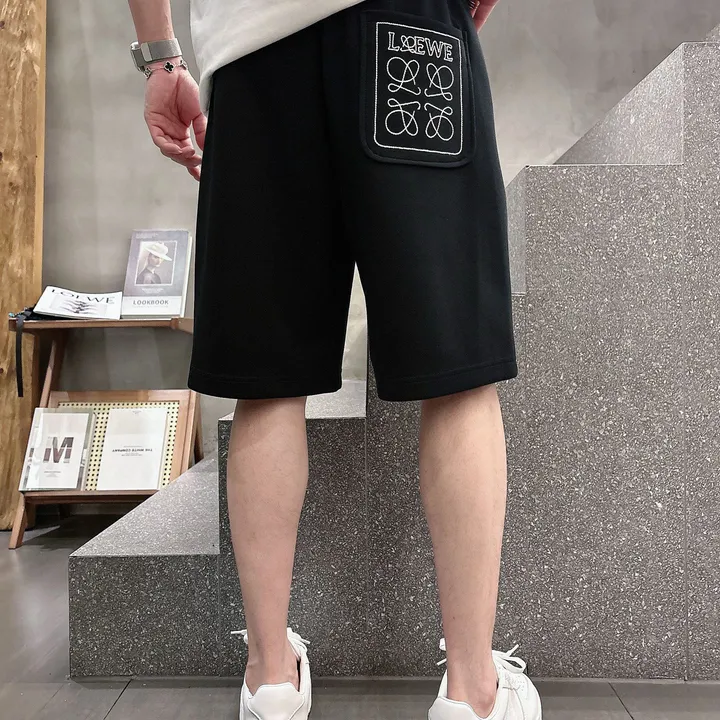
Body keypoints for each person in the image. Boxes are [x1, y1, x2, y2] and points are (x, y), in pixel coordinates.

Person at [127, 1, 541, 719]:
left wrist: (160, 56)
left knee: (267, 381)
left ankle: (271, 679)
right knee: (458, 370)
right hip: (406, 26)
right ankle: (472, 692)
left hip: (255, 56)